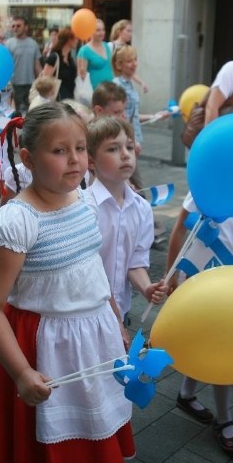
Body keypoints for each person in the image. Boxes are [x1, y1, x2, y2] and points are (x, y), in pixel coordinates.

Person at [0, 102, 135, 463]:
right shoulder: (17, 223)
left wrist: (115, 321)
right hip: (47, 347)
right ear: (28, 158)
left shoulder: (83, 199)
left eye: (80, 148)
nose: (75, 160)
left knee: (93, 422)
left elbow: (94, 271)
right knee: (50, 433)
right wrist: (20, 371)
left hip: (95, 338)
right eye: (59, 151)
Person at [167, 191, 233, 455]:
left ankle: (188, 394)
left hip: (228, 283)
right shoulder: (201, 188)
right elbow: (179, 230)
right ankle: (222, 418)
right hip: (197, 278)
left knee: (219, 345)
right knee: (213, 344)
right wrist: (169, 275)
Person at [86, 117, 167, 327]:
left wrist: (147, 287)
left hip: (120, 313)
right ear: (91, 161)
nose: (125, 155)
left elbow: (135, 263)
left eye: (129, 147)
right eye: (113, 149)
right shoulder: (85, 207)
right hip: (84, 316)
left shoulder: (142, 208)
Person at [5, 15, 42, 115]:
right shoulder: (8, 44)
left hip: (30, 85)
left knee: (30, 113)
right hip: (14, 85)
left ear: (26, 27)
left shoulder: (33, 44)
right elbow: (5, 65)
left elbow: (37, 65)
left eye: (18, 26)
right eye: (13, 26)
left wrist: (41, 81)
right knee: (14, 114)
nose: (15, 28)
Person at [109, 19, 148, 93]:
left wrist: (141, 83)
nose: (130, 34)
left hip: (125, 84)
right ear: (120, 31)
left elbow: (131, 70)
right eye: (128, 31)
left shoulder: (128, 49)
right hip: (113, 83)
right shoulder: (110, 46)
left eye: (131, 31)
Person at [77, 18, 114, 91]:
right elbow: (80, 76)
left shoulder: (107, 46)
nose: (102, 33)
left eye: (103, 30)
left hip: (110, 90)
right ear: (90, 31)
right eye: (98, 30)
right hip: (94, 91)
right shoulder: (84, 50)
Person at [42, 26, 77, 100]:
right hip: (56, 101)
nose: (77, 40)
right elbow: (44, 81)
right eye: (75, 38)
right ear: (68, 40)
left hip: (69, 99)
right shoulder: (54, 57)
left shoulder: (70, 60)